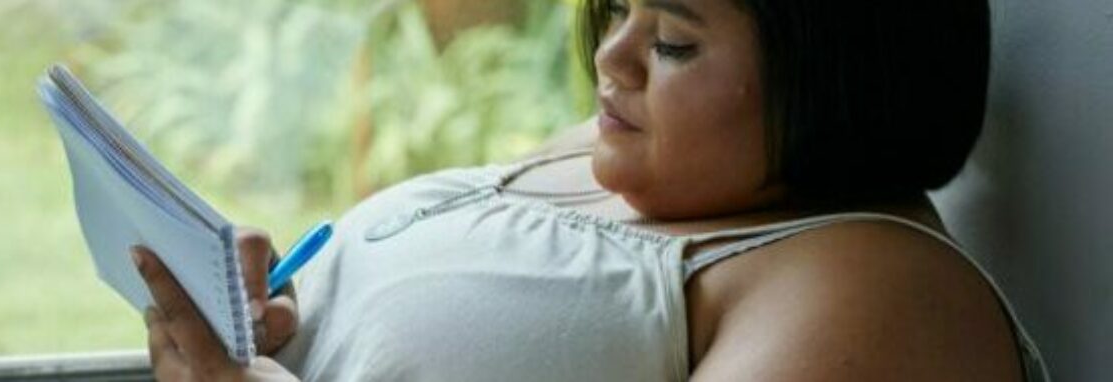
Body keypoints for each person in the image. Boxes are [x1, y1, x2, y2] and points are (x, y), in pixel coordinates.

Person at [129, 0, 1050, 380]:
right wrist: (268, 316)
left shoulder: (874, 289)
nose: (610, 59)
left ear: (843, 80)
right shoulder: (652, 164)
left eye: (674, 42)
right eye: (616, 8)